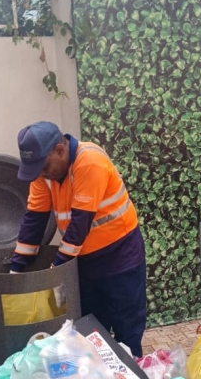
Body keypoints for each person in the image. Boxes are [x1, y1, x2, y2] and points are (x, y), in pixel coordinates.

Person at [10, 122, 147, 356]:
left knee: (127, 328)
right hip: (83, 262)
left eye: (43, 166)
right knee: (91, 330)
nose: (41, 174)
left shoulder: (89, 161)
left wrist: (55, 271)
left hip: (120, 257)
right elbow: (34, 220)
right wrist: (15, 271)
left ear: (59, 150)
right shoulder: (44, 173)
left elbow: (79, 225)